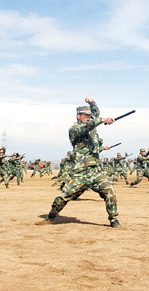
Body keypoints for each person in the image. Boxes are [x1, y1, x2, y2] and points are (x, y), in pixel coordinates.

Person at [39, 97, 120, 227]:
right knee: (64, 196)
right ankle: (50, 216)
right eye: (85, 115)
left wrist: (92, 103)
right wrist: (102, 120)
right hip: (80, 172)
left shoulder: (92, 126)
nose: (89, 117)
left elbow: (95, 116)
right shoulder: (74, 129)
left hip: (95, 171)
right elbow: (89, 125)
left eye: (89, 115)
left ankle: (114, 219)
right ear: (78, 116)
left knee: (110, 191)